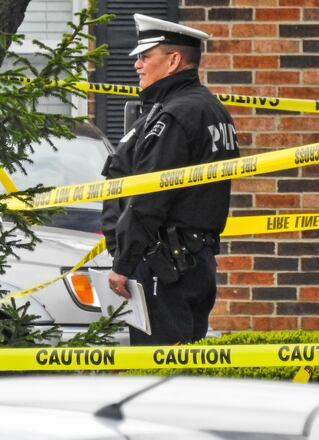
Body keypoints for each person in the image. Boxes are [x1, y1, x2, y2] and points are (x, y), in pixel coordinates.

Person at [101, 13, 240, 345]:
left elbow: (150, 195)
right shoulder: (211, 109)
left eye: (146, 56)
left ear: (174, 60)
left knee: (159, 373)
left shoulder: (176, 115)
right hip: (192, 262)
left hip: (164, 266)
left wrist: (124, 261)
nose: (137, 65)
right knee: (184, 370)